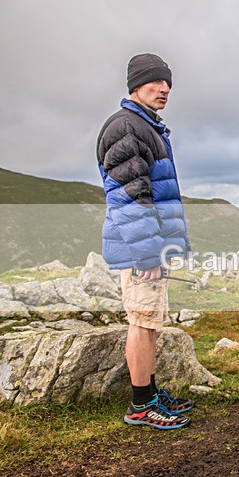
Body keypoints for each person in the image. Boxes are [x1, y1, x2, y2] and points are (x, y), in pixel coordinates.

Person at [96, 53, 194, 429]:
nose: (165, 89)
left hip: (148, 248)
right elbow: (129, 196)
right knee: (141, 321)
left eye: (168, 82)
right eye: (156, 81)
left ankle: (150, 394)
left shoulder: (143, 125)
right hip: (141, 250)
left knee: (150, 321)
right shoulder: (126, 127)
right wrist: (148, 253)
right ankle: (140, 405)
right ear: (135, 84)